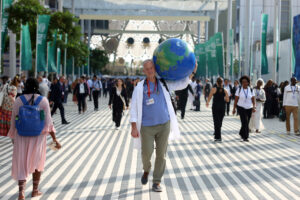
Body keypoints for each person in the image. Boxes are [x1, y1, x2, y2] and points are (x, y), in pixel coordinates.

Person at [130, 59, 197, 192]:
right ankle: (146, 169)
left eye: (151, 68)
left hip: (164, 125)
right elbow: (133, 109)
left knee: (161, 154)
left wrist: (193, 71)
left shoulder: (164, 83)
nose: (150, 71)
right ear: (144, 71)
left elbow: (182, 84)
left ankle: (157, 181)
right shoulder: (140, 87)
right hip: (147, 127)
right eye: (147, 69)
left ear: (155, 69)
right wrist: (133, 127)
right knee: (146, 153)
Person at [8, 78, 61, 200]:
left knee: (21, 162)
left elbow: (14, 120)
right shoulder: (43, 101)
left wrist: (13, 135)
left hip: (21, 136)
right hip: (38, 137)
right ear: (38, 87)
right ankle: (35, 190)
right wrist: (55, 139)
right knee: (37, 161)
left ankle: (21, 193)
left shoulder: (18, 101)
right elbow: (48, 122)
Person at [232, 76, 256, 142]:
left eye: (245, 82)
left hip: (249, 108)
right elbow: (236, 100)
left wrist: (254, 107)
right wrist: (234, 108)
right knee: (244, 121)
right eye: (243, 82)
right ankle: (245, 137)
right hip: (241, 107)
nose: (244, 83)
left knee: (246, 122)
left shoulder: (251, 89)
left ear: (248, 82)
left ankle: (241, 132)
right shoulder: (239, 89)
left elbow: (253, 99)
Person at [206, 77, 229, 142]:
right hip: (222, 107)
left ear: (216, 82)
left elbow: (210, 96)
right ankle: (217, 133)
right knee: (220, 122)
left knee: (216, 121)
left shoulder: (214, 89)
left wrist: (207, 102)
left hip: (215, 107)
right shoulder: (225, 90)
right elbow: (227, 100)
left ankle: (218, 136)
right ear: (222, 83)